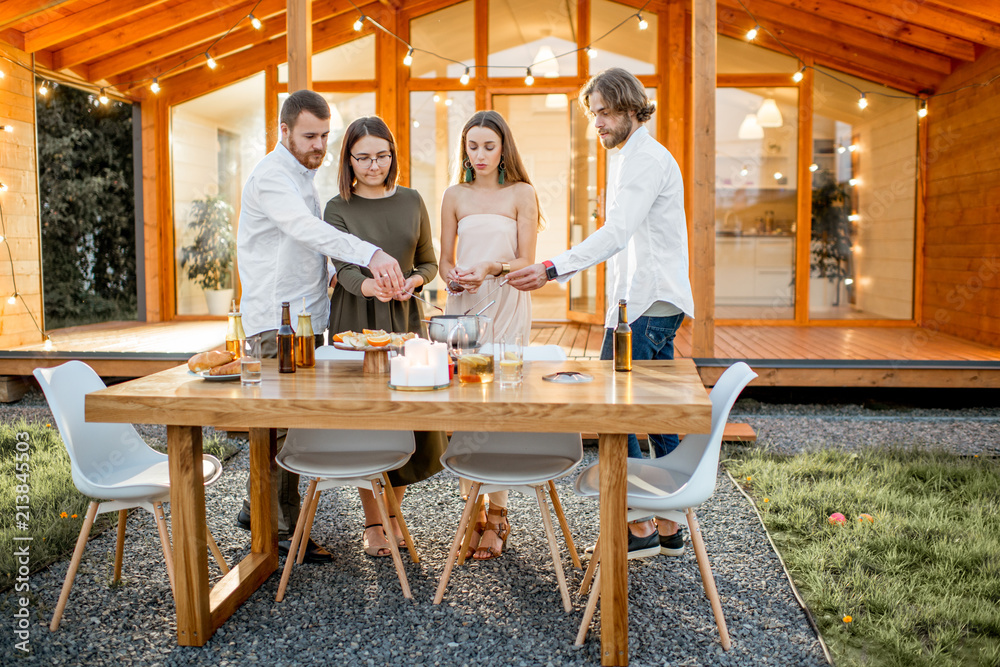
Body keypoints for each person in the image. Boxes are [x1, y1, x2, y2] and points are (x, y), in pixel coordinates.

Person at [507, 68, 694, 558]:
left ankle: (636, 525)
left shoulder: (645, 160)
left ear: (632, 108)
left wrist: (551, 268)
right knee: (656, 414)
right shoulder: (634, 157)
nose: (599, 123)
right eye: (594, 114)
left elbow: (616, 235)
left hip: (649, 306)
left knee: (619, 412)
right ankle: (672, 522)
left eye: (606, 112)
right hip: (651, 301)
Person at [234, 91, 405, 563]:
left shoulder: (303, 177)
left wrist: (328, 272)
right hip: (275, 321)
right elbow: (303, 230)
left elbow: (301, 245)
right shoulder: (273, 177)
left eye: (325, 135)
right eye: (310, 135)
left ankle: (265, 517)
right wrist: (369, 253)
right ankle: (274, 532)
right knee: (276, 426)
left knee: (291, 425)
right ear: (283, 130)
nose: (320, 145)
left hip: (308, 317)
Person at [324, 116, 446, 558]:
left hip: (405, 319)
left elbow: (430, 262)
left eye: (381, 155)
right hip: (356, 317)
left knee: (406, 417)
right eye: (363, 157)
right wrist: (370, 286)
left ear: (392, 156)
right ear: (349, 159)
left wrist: (413, 283)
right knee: (367, 421)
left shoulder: (412, 200)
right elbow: (342, 268)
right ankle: (374, 522)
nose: (373, 165)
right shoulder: (337, 206)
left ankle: (393, 512)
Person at [439, 109, 541, 559]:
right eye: (472, 145)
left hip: (507, 302)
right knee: (463, 405)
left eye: (488, 146)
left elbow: (527, 260)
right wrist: (453, 277)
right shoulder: (453, 195)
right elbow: (444, 259)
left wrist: (491, 268)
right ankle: (472, 512)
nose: (478, 155)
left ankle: (498, 513)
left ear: (504, 150)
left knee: (499, 405)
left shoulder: (522, 193)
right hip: (464, 306)